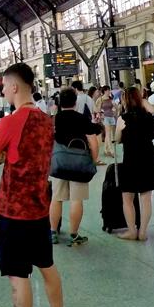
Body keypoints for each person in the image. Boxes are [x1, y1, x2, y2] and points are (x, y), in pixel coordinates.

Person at [0, 63, 67, 307]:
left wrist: (4, 154)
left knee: (19, 277)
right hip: (39, 209)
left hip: (13, 214)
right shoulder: (46, 120)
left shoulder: (11, 121)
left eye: (4, 86)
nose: (2, 91)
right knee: (47, 265)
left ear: (15, 86)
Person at [50, 88, 100, 246]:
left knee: (56, 198)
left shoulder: (55, 119)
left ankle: (52, 232)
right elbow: (93, 139)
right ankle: (73, 234)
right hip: (79, 164)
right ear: (75, 101)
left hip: (60, 163)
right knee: (76, 199)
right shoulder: (82, 118)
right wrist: (93, 159)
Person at [116, 86, 154, 240]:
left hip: (131, 159)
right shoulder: (148, 117)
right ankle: (143, 231)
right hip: (149, 157)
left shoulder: (122, 118)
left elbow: (118, 139)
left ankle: (131, 231)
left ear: (125, 100)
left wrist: (120, 131)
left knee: (127, 198)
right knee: (146, 198)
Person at [95, 86, 118, 158]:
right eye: (108, 90)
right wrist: (100, 115)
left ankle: (105, 150)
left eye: (109, 90)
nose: (109, 91)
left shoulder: (111, 98)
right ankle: (111, 150)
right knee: (108, 134)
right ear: (104, 91)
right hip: (105, 117)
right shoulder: (100, 99)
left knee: (110, 133)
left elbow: (115, 107)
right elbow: (97, 109)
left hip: (111, 117)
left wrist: (115, 107)